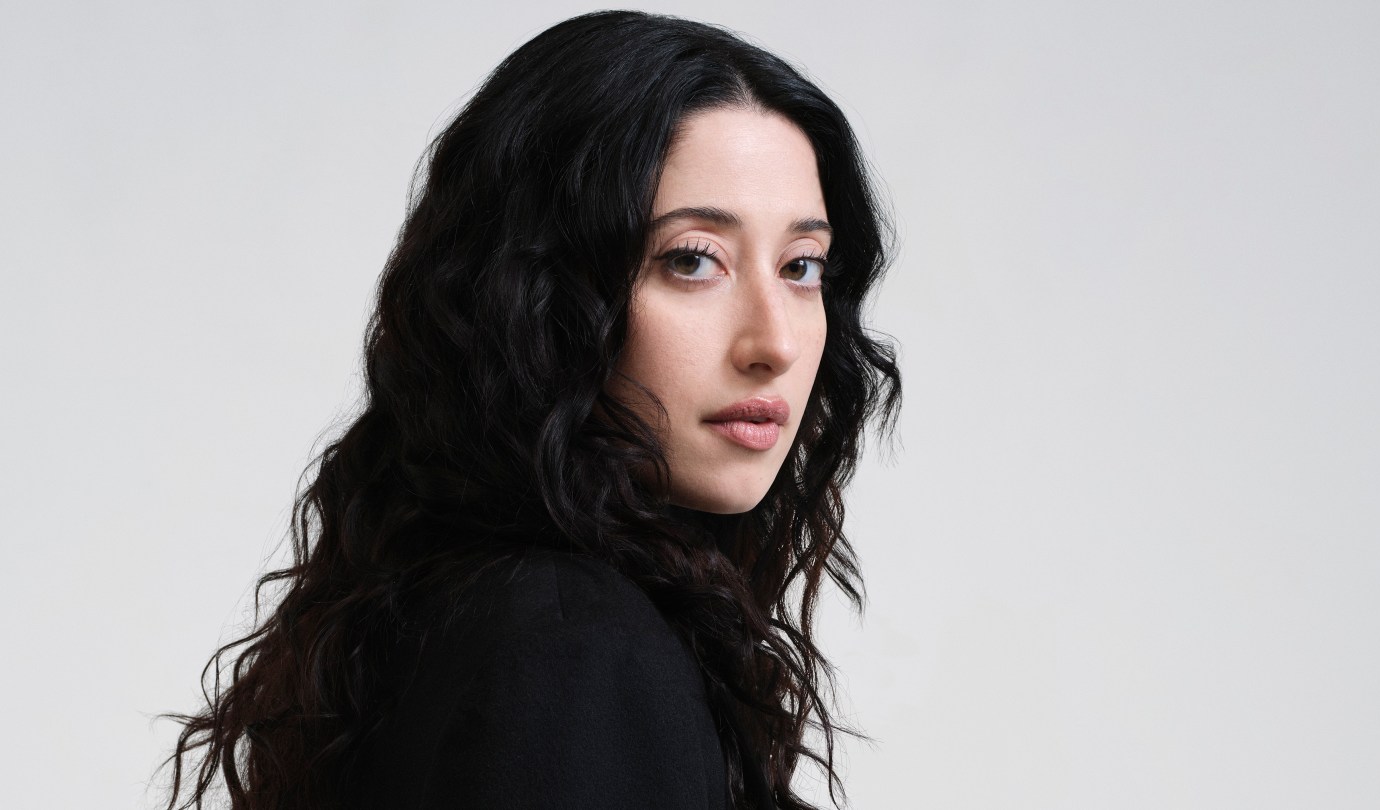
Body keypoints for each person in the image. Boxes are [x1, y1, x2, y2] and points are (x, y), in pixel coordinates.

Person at [162, 10, 899, 810]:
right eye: (693, 260)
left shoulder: (488, 606)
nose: (775, 343)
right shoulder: (573, 643)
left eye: (801, 266)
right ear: (540, 297)